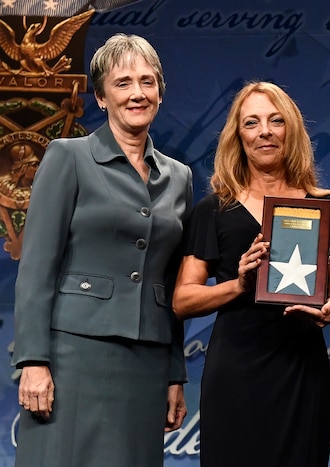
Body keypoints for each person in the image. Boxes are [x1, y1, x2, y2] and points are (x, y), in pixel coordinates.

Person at [12, 33, 192, 466]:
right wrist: (33, 361)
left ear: (160, 94)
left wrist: (174, 373)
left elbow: (170, 284)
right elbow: (37, 266)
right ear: (101, 96)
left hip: (146, 362)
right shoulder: (68, 157)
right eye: (123, 83)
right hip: (72, 356)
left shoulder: (180, 177)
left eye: (148, 82)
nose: (137, 93)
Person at [171, 81, 330, 467]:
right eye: (252, 123)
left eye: (275, 121)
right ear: (239, 135)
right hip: (236, 370)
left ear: (292, 130)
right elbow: (183, 300)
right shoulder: (214, 210)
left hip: (302, 370)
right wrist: (239, 285)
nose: (265, 131)